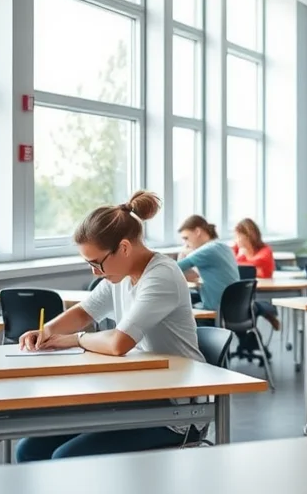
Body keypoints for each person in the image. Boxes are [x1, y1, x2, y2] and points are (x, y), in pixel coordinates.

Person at [14, 191, 205, 461]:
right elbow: (83, 312)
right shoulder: (122, 275)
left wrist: (77, 339)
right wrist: (45, 332)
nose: (95, 272)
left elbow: (118, 343)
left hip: (176, 411)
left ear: (124, 248)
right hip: (135, 395)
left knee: (64, 459)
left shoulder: (161, 275)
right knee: (29, 449)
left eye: (97, 263)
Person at [178, 215, 280, 331]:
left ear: (197, 232)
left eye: (186, 238)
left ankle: (200, 347)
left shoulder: (206, 250)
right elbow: (194, 275)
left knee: (180, 311)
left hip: (217, 309)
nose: (185, 243)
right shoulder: (224, 247)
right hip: (235, 308)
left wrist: (182, 253)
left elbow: (174, 268)